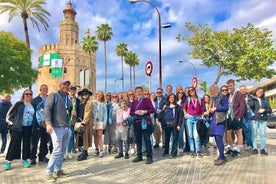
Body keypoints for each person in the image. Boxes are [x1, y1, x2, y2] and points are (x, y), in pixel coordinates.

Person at [44, 80, 72, 182]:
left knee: (62, 151)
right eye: (64, 84)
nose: (66, 86)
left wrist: (73, 113)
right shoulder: (53, 95)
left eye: (68, 85)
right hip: (56, 127)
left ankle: (57, 170)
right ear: (60, 86)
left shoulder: (68, 99)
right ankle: (48, 173)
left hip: (66, 128)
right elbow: (47, 109)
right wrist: (48, 124)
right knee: (56, 150)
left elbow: (70, 116)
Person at [5, 89, 35, 170]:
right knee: (14, 144)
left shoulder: (32, 105)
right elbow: (9, 115)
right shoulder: (18, 104)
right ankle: (9, 161)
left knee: (26, 144)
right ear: (23, 95)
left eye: (30, 94)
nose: (28, 95)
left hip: (28, 128)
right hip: (18, 127)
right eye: (27, 94)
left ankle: (25, 160)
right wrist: (12, 123)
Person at [130, 86, 155, 164]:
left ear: (142, 92)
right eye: (137, 91)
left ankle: (149, 157)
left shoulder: (147, 100)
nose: (138, 92)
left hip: (145, 122)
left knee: (147, 139)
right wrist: (135, 112)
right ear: (135, 93)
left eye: (140, 91)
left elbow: (152, 110)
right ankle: (139, 156)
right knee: (138, 140)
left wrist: (145, 111)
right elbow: (131, 113)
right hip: (137, 122)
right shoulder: (133, 102)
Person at [208, 85, 229, 166]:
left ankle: (222, 158)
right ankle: (221, 156)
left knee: (219, 138)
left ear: (217, 89)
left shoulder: (222, 97)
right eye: (211, 90)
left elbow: (226, 107)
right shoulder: (212, 98)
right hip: (213, 120)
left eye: (213, 89)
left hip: (220, 120)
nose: (212, 91)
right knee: (216, 139)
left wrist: (216, 108)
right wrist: (209, 112)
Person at [30, 84, 50, 165]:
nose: (45, 90)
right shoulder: (34, 100)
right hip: (37, 124)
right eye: (43, 89)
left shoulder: (50, 99)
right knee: (34, 142)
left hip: (47, 124)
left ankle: (42, 156)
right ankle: (32, 158)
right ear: (40, 90)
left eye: (46, 89)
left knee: (44, 141)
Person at [225, 79, 246, 157]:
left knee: (239, 133)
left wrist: (239, 116)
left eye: (231, 85)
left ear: (234, 85)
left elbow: (242, 106)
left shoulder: (239, 94)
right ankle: (232, 148)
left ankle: (238, 150)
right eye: (228, 86)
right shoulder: (228, 95)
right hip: (229, 117)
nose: (229, 87)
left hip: (237, 116)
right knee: (228, 133)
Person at [183, 87, 205, 158]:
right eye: (189, 91)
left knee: (196, 135)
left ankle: (198, 150)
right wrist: (185, 114)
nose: (191, 92)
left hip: (197, 118)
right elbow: (184, 107)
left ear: (195, 91)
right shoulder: (188, 99)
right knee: (190, 135)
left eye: (192, 90)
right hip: (190, 118)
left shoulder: (199, 99)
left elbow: (202, 108)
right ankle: (192, 150)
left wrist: (202, 116)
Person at [251, 87, 272, 155]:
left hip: (263, 120)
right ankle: (255, 148)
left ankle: (263, 149)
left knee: (262, 134)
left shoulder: (265, 100)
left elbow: (270, 110)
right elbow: (249, 106)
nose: (260, 92)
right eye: (259, 91)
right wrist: (250, 99)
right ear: (256, 91)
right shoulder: (252, 99)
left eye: (261, 91)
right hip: (255, 119)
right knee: (254, 134)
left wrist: (264, 110)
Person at [161, 93, 182, 158]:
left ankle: (173, 153)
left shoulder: (178, 107)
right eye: (170, 97)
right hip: (167, 125)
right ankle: (166, 152)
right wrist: (163, 110)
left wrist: (179, 125)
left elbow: (180, 117)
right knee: (167, 139)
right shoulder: (165, 106)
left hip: (175, 124)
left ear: (175, 98)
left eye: (173, 97)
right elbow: (162, 116)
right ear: (168, 98)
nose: (172, 99)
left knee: (175, 139)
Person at [77, 88, 94, 161]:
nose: (84, 95)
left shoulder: (89, 102)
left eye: (86, 94)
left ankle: (85, 152)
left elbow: (88, 113)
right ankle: (84, 151)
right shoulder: (81, 102)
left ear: (89, 95)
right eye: (82, 94)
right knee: (81, 137)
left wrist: (84, 123)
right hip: (80, 121)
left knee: (85, 137)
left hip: (85, 123)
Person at [66, 85, 80, 159]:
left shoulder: (77, 100)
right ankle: (64, 152)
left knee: (71, 136)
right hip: (66, 120)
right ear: (69, 90)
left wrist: (76, 114)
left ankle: (69, 151)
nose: (72, 91)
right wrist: (69, 111)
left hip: (73, 121)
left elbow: (79, 110)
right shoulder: (66, 99)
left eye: (74, 90)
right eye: (71, 89)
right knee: (65, 136)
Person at [93, 90, 107, 158]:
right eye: (98, 94)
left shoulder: (103, 104)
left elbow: (105, 114)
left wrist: (104, 123)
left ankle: (101, 150)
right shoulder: (93, 103)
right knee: (95, 136)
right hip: (94, 121)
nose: (99, 95)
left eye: (101, 95)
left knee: (100, 136)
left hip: (100, 121)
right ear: (96, 95)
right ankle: (96, 149)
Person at [239, 85, 254, 150]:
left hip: (247, 115)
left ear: (246, 90)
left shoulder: (250, 97)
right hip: (239, 115)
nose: (243, 90)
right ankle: (243, 143)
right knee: (241, 130)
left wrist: (246, 101)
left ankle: (250, 145)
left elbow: (252, 104)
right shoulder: (238, 97)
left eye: (244, 89)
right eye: (241, 89)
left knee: (248, 130)